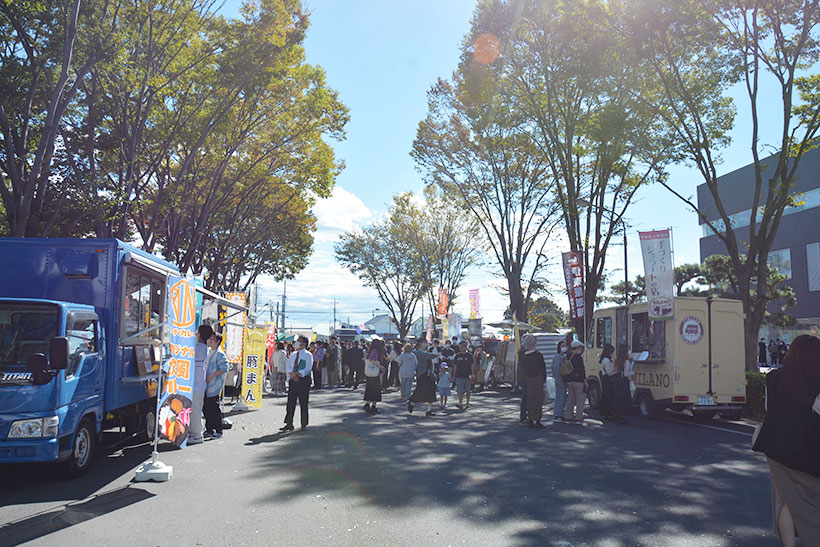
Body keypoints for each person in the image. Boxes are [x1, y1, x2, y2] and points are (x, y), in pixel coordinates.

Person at [752, 334, 820, 547]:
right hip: (808, 454)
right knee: (811, 503)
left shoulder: (773, 377)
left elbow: (768, 409)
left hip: (775, 449)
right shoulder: (816, 381)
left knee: (784, 500)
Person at [280, 335, 313, 432]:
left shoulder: (308, 355)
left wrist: (297, 374)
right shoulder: (293, 354)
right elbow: (289, 366)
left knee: (303, 402)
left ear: (304, 344)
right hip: (293, 380)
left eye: (299, 341)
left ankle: (304, 424)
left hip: (303, 380)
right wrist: (292, 375)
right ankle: (289, 423)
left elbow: (307, 369)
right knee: (290, 403)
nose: (297, 343)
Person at [189, 324, 214, 445]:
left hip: (195, 385)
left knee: (195, 411)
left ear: (199, 334)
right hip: (199, 384)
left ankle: (197, 435)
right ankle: (196, 432)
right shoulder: (205, 348)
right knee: (196, 410)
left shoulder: (197, 348)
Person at [203, 332, 229, 439]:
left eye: (212, 339)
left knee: (214, 408)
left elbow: (225, 368)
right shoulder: (209, 351)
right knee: (206, 408)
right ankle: (209, 429)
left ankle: (218, 430)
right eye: (210, 339)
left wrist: (212, 375)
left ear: (218, 341)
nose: (210, 341)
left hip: (214, 386)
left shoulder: (219, 354)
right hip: (207, 385)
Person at [520, 333, 547, 428]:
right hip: (538, 379)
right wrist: (544, 379)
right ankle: (538, 420)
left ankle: (530, 419)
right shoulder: (538, 355)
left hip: (529, 379)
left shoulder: (524, 356)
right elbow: (543, 368)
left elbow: (524, 369)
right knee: (538, 400)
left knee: (530, 399)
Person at [409, 339, 439, 416]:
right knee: (420, 390)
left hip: (429, 374)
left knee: (431, 391)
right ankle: (411, 402)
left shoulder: (426, 351)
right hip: (422, 374)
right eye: (424, 343)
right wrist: (436, 355)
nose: (426, 344)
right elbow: (426, 356)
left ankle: (429, 410)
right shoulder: (417, 352)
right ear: (420, 343)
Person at [563, 340, 588, 424]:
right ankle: (578, 418)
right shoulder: (578, 357)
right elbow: (582, 370)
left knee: (570, 400)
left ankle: (568, 417)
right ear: (577, 348)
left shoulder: (567, 356)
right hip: (578, 381)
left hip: (569, 381)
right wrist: (585, 381)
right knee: (580, 401)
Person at [610, 344, 633, 423]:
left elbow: (613, 370)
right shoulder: (626, 361)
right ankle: (620, 414)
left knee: (616, 398)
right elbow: (626, 373)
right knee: (623, 397)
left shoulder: (617, 359)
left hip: (617, 379)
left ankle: (615, 414)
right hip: (623, 380)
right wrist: (632, 372)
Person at [363, 339, 386, 413]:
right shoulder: (376, 351)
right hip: (375, 373)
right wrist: (380, 367)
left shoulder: (371, 351)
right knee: (375, 390)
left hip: (370, 373)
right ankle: (373, 406)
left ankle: (367, 404)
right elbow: (372, 360)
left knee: (369, 389)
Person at [452, 340, 475, 409]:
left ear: (466, 347)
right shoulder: (457, 356)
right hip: (459, 375)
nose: (461, 348)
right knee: (460, 391)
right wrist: (453, 376)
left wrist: (472, 374)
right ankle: (460, 403)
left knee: (468, 390)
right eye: (460, 346)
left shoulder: (469, 355)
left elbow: (472, 365)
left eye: (463, 346)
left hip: (468, 376)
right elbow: (455, 366)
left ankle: (467, 403)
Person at [551, 340, 569, 422]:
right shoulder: (557, 357)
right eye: (562, 346)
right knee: (560, 398)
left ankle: (559, 414)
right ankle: (558, 415)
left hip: (562, 381)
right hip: (560, 381)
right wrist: (559, 381)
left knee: (562, 397)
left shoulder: (563, 357)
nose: (564, 347)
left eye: (565, 346)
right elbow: (556, 370)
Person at [599, 343, 616, 420]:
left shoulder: (606, 359)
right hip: (607, 379)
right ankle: (607, 413)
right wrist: (614, 368)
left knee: (607, 396)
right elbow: (609, 372)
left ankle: (607, 412)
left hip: (606, 379)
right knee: (608, 396)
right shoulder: (606, 360)